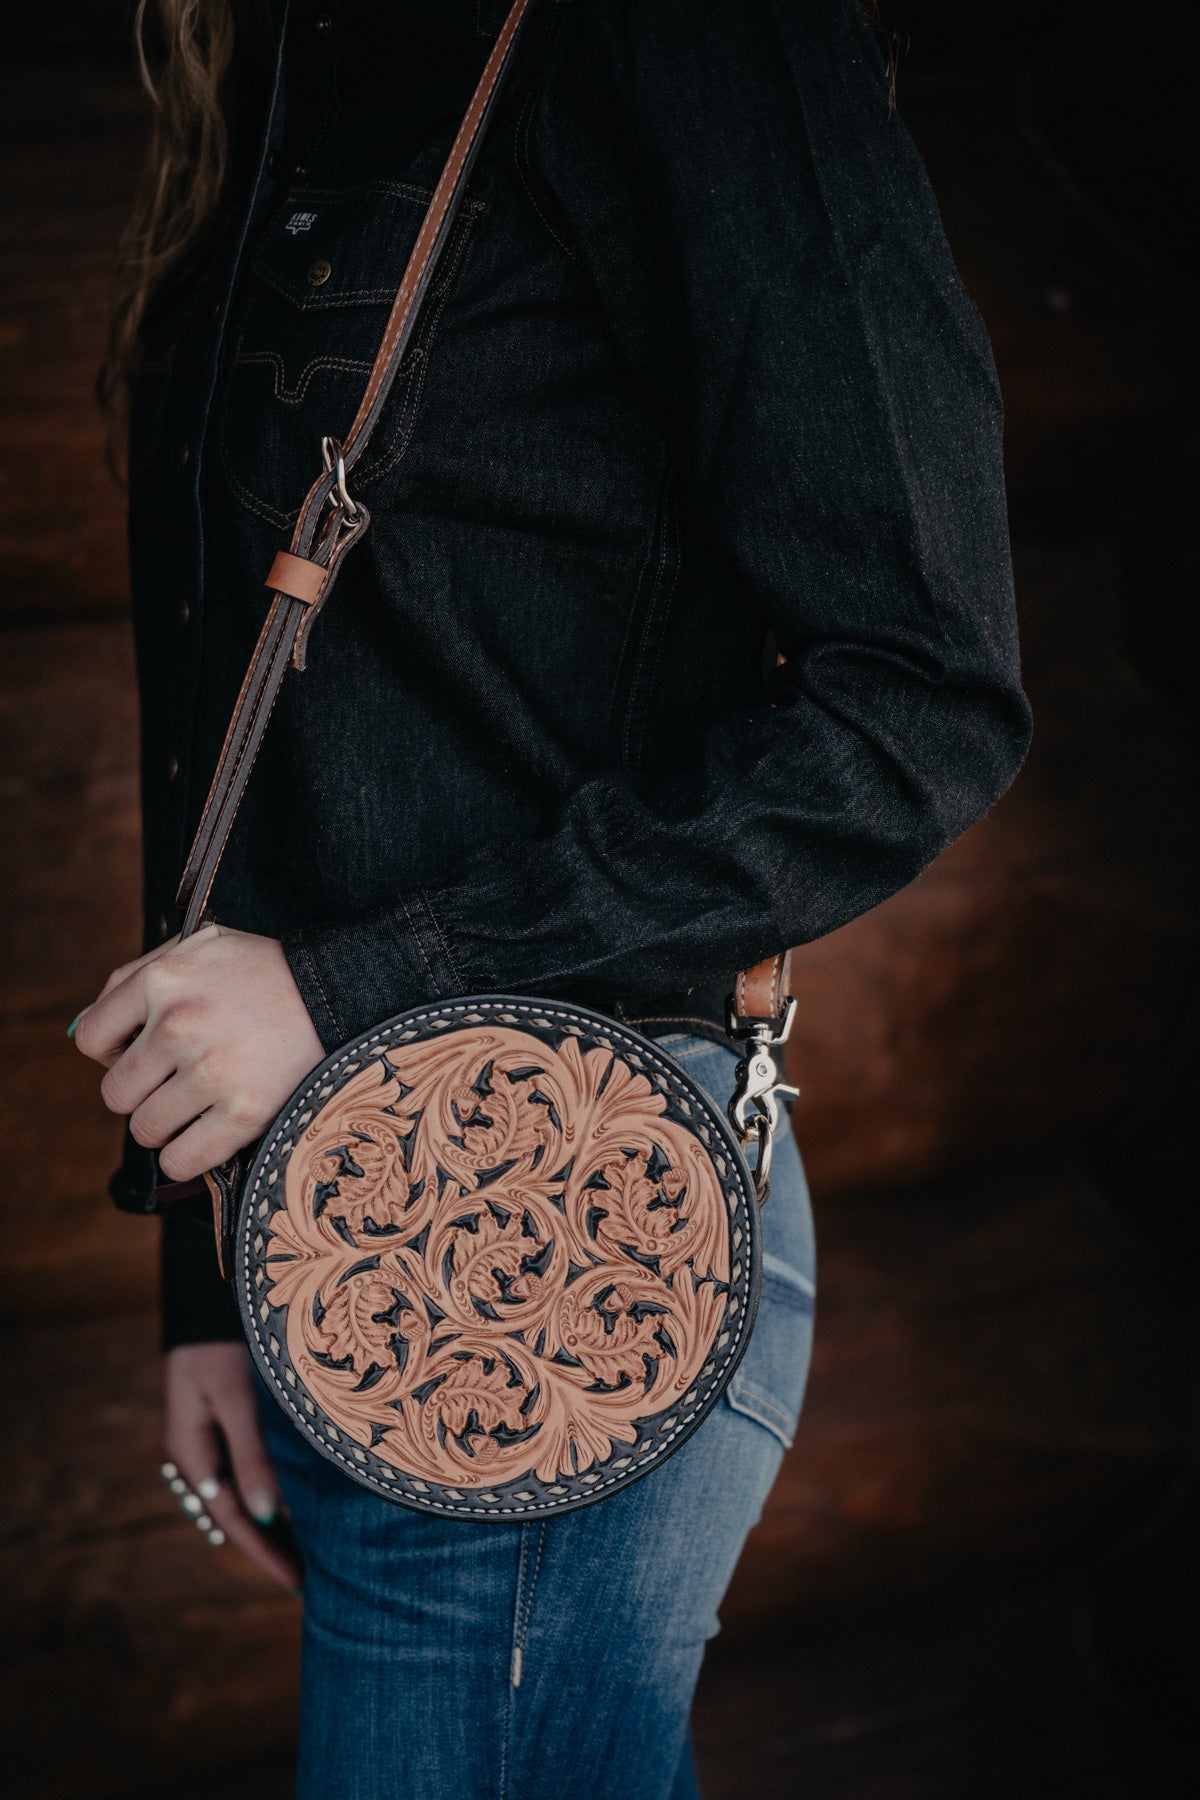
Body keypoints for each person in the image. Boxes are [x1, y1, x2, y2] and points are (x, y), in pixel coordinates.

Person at [75, 2, 1032, 1795]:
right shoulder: (276, 60)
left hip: (557, 1241)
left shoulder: (689, 38)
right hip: (326, 1238)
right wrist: (197, 1275)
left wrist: (358, 991)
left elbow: (924, 699)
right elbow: (247, 715)